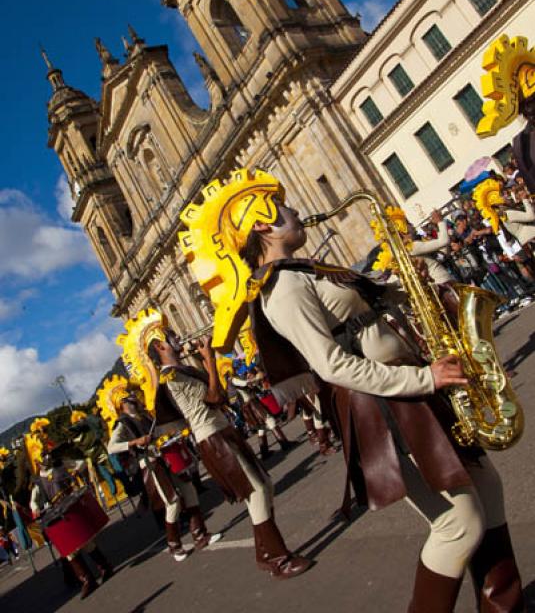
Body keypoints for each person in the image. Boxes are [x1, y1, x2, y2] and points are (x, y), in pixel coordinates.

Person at [179, 168, 524, 612]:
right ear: (262, 222)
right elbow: (332, 365)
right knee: (457, 524)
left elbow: (369, 308)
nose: (296, 209)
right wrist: (425, 379)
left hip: (411, 389)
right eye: (283, 206)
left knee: (487, 488)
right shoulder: (281, 287)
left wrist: (410, 286)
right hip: (387, 408)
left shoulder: (306, 270)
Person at [147, 332, 312, 580]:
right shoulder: (172, 377)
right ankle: (279, 559)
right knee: (254, 491)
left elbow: (221, 396)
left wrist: (207, 365)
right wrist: (210, 362)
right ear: (160, 347)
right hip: (212, 438)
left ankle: (264, 553)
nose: (179, 339)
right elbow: (212, 399)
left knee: (264, 485)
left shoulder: (183, 371)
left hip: (223, 431)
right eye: (171, 338)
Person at [107, 391, 220, 561]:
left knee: (189, 489)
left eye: (133, 395)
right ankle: (174, 545)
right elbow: (111, 447)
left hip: (165, 457)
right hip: (151, 464)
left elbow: (159, 431)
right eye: (129, 397)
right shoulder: (122, 424)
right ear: (122, 402)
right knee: (172, 502)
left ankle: (200, 535)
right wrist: (134, 442)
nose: (134, 398)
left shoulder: (144, 415)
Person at [30, 450, 113, 599]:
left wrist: (75, 470)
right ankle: (87, 580)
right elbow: (33, 500)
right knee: (70, 550)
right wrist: (35, 508)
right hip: (57, 513)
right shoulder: (38, 481)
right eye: (41, 456)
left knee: (85, 541)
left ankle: (105, 567)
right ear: (36, 461)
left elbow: (80, 464)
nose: (46, 458)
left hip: (72, 505)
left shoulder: (60, 465)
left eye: (45, 454)